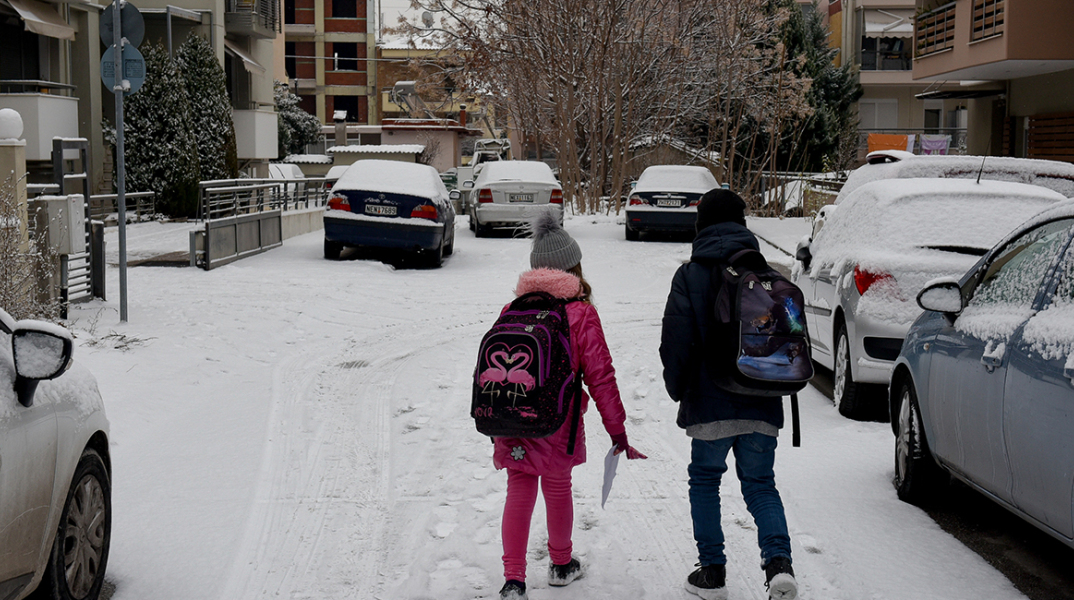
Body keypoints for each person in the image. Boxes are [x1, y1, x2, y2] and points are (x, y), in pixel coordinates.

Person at [493, 210, 646, 600]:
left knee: (519, 487)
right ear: (573, 267)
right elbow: (601, 377)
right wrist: (617, 430)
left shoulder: (513, 310)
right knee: (558, 487)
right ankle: (561, 564)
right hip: (558, 425)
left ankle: (514, 580)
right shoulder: (580, 313)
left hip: (512, 417)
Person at [659, 189, 797, 600]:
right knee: (760, 484)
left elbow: (676, 342)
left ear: (700, 226)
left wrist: (678, 388)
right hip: (761, 399)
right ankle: (778, 566)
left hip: (709, 402)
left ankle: (713, 571)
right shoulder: (768, 274)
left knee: (705, 480)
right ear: (741, 225)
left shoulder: (690, 275)